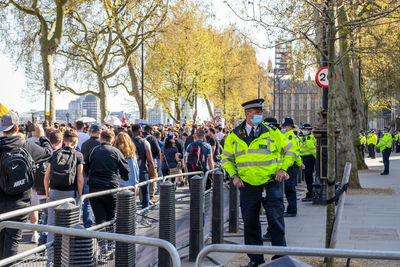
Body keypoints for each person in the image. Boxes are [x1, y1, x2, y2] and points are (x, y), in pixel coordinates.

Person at [221, 99, 296, 267]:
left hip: (270, 185)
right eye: (257, 113)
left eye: (261, 113)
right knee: (250, 224)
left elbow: (291, 150)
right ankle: (255, 260)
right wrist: (233, 175)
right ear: (248, 114)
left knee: (276, 223)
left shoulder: (272, 132)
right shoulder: (234, 135)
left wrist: (283, 169)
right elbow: (226, 158)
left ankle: (280, 259)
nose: (260, 116)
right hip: (247, 187)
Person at [0, 113, 52, 261]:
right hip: (20, 203)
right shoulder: (26, 146)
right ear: (17, 128)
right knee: (12, 240)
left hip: (1, 201)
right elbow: (48, 153)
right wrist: (42, 136)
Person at [43, 128, 84, 264]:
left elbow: (46, 177)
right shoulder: (78, 155)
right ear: (75, 141)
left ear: (63, 140)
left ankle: (51, 261)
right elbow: (79, 178)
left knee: (52, 227)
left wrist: (48, 195)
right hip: (70, 195)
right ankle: (67, 260)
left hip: (54, 192)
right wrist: (80, 195)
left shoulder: (55, 154)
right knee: (71, 227)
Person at [85, 129, 130, 224]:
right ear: (112, 140)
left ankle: (100, 238)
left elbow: (85, 167)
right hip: (110, 187)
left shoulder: (93, 151)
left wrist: (90, 176)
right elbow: (125, 169)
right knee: (111, 217)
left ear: (100, 139)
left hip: (95, 188)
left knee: (99, 218)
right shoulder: (116, 152)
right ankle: (110, 238)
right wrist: (124, 177)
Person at [280, 117, 304, 217]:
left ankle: (292, 210)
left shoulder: (289, 138)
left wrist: (298, 163)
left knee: (290, 189)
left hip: (289, 166)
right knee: (288, 188)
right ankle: (291, 209)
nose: (283, 128)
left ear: (290, 127)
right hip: (291, 165)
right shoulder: (288, 137)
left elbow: (293, 153)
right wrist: (300, 163)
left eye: (285, 126)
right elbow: (297, 153)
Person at [80, 124, 102, 228]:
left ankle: (87, 223)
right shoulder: (100, 144)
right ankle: (98, 221)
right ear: (98, 132)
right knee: (98, 199)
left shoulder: (85, 144)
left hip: (86, 174)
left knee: (87, 200)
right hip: (98, 175)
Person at [131, 124, 155, 209]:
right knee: (145, 192)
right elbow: (150, 159)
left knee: (130, 194)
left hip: (130, 171)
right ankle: (145, 214)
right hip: (142, 170)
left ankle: (131, 216)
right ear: (140, 132)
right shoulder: (145, 142)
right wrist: (152, 173)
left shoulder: (128, 142)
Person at [143, 125, 160, 200]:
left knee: (142, 181)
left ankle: (142, 198)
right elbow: (158, 150)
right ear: (150, 130)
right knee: (152, 179)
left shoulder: (139, 138)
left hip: (141, 162)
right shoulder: (152, 138)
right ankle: (150, 197)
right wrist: (154, 156)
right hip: (152, 161)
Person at [300, 123, 316, 202]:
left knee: (308, 177)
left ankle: (310, 194)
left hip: (308, 158)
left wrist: (316, 158)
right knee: (308, 177)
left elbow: (312, 149)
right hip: (307, 158)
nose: (303, 131)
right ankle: (310, 193)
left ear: (309, 130)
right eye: (303, 130)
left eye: (305, 130)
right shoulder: (306, 137)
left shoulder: (309, 138)